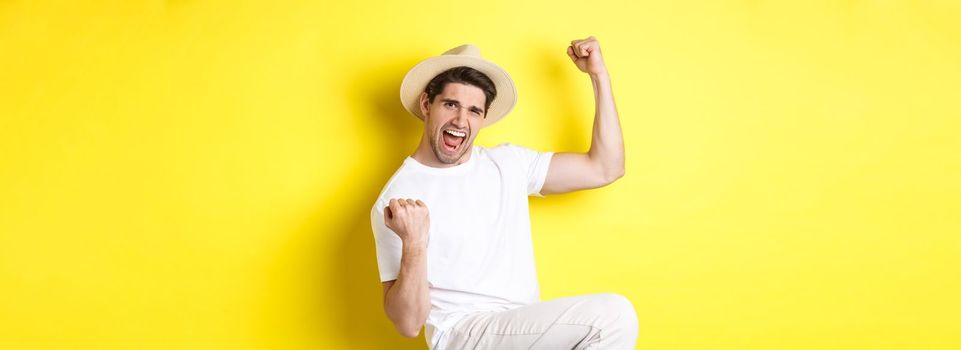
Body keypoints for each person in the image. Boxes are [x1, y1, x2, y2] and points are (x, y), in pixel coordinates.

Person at [370, 36, 637, 349]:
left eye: (473, 110)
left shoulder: (507, 163)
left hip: (522, 327)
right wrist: (414, 241)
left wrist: (598, 75)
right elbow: (408, 324)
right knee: (613, 315)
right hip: (462, 334)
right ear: (427, 104)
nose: (460, 120)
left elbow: (606, 167)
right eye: (451, 104)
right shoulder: (399, 197)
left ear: (483, 118)